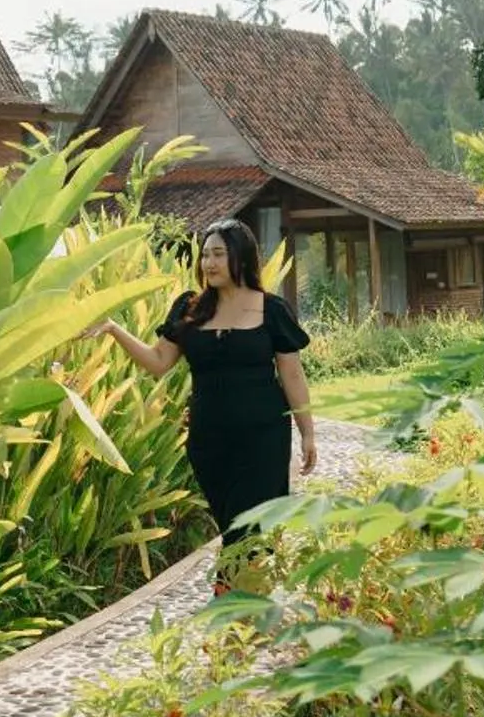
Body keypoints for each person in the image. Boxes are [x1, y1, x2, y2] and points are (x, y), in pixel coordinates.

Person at [86, 218, 316, 547]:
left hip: (263, 438)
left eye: (219, 254)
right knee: (233, 528)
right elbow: (159, 362)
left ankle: (231, 595)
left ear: (242, 257)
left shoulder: (271, 309)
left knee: (247, 531)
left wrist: (307, 432)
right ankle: (249, 592)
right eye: (205, 255)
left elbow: (292, 375)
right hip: (210, 442)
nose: (209, 263)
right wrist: (113, 328)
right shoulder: (191, 308)